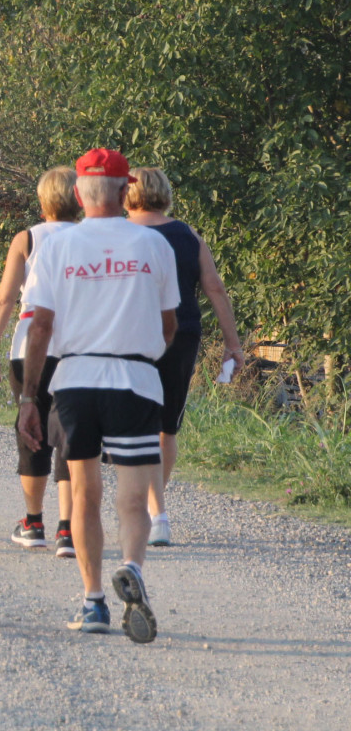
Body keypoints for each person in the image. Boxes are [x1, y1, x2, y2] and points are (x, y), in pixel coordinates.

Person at [18, 148, 176, 644]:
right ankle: (132, 565)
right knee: (133, 496)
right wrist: (144, 350)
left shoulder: (55, 248)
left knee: (84, 495)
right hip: (134, 378)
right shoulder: (154, 245)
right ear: (124, 190)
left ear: (77, 193)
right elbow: (170, 322)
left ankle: (92, 603)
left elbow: (40, 325)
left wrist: (29, 396)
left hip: (76, 380)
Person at [125, 166, 245, 548]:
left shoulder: (121, 233)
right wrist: (233, 343)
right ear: (165, 191)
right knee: (167, 423)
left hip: (131, 333)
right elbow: (215, 288)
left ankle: (151, 510)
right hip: (183, 333)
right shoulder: (188, 235)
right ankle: (154, 508)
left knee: (137, 419)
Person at [0, 167, 81, 555]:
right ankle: (67, 529)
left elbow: (5, 297)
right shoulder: (90, 238)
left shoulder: (27, 238)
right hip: (75, 344)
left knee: (32, 431)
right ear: (80, 200)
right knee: (71, 434)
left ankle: (33, 521)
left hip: (29, 346)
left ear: (42, 204)